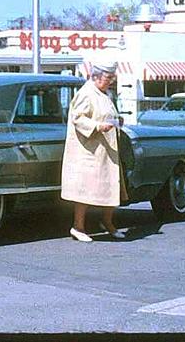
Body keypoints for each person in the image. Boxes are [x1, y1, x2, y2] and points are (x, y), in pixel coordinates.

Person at [60, 60, 125, 242]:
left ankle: (108, 222)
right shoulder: (86, 93)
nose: (111, 81)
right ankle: (78, 226)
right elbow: (77, 118)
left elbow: (107, 114)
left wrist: (117, 121)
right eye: (108, 77)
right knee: (85, 190)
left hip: (106, 150)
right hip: (90, 151)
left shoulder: (103, 94)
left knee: (111, 186)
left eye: (112, 77)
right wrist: (97, 126)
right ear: (95, 76)